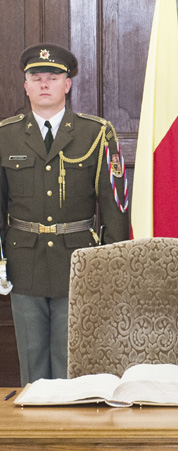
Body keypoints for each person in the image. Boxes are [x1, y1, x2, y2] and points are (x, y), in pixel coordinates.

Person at [0, 43, 130, 385]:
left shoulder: (96, 132)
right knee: (32, 359)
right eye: (36, 77)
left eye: (53, 77)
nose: (45, 84)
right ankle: (35, 435)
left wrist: (112, 263)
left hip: (78, 261)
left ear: (67, 84)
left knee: (71, 358)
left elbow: (114, 206)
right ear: (25, 85)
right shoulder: (6, 135)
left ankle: (67, 435)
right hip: (23, 260)